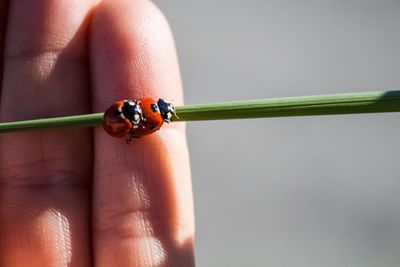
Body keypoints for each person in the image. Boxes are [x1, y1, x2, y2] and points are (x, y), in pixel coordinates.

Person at [0, 0, 195, 266]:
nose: (164, 109)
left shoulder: (149, 109)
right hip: (121, 119)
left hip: (121, 116)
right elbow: (141, 116)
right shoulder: (151, 115)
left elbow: (138, 109)